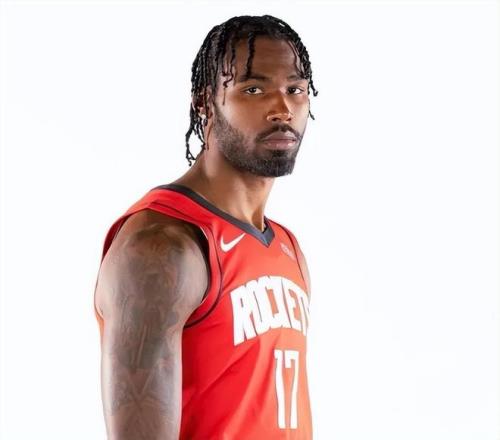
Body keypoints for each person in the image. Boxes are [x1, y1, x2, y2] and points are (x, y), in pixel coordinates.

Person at [93, 14, 319, 440]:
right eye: (253, 89)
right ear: (205, 103)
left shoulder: (287, 248)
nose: (282, 109)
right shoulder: (162, 246)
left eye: (295, 89)